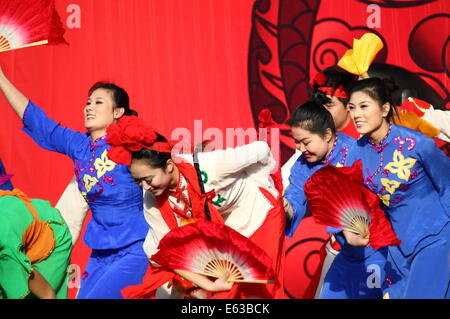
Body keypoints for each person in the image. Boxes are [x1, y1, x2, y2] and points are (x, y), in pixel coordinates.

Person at [0, 66, 149, 299]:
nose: (88, 107)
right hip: (100, 252)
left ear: (118, 112)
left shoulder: (132, 145)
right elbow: (39, 122)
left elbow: (163, 167)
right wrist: (1, 78)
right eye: (88, 102)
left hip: (135, 247)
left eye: (98, 102)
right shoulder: (80, 147)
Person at [345, 77, 450, 299]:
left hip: (435, 236)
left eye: (364, 106)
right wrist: (349, 231)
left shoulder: (416, 143)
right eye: (352, 108)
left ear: (384, 109)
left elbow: (447, 184)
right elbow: (351, 202)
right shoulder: (354, 153)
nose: (356, 114)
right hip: (396, 249)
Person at [283, 101, 387, 298]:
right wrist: (285, 208)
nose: (300, 148)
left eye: (306, 142)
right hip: (347, 255)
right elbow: (295, 197)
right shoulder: (303, 166)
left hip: (381, 252)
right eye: (297, 142)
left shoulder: (358, 152)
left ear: (328, 134)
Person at [0, 164, 72, 299]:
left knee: (26, 294)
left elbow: (47, 294)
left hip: (52, 233)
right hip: (15, 228)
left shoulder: (5, 247)